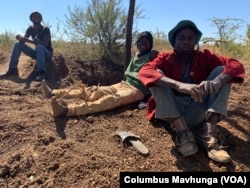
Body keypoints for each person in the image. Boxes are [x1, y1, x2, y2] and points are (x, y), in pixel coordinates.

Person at [138, 20, 245, 163]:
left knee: (222, 72)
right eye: (181, 38)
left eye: (190, 38)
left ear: (195, 41)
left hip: (198, 109)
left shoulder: (204, 57)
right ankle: (182, 134)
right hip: (172, 112)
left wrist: (217, 80)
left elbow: (235, 65)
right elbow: (145, 72)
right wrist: (178, 85)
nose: (186, 42)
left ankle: (209, 135)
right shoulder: (165, 58)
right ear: (174, 41)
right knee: (156, 74)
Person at [42, 31, 159, 118]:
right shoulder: (136, 56)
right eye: (141, 40)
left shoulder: (152, 55)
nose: (143, 42)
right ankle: (53, 92)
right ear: (137, 43)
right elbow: (128, 74)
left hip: (137, 90)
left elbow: (163, 59)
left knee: (111, 99)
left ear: (151, 45)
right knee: (94, 90)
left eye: (147, 41)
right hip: (124, 84)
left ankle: (67, 110)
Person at [0, 11, 53, 81]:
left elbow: (45, 44)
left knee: (39, 46)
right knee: (17, 44)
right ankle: (12, 69)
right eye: (34, 16)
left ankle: (41, 72)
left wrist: (29, 41)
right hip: (37, 53)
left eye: (38, 16)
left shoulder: (45, 29)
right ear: (31, 19)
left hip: (47, 54)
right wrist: (20, 38)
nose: (36, 18)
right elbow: (24, 39)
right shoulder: (30, 28)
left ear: (41, 18)